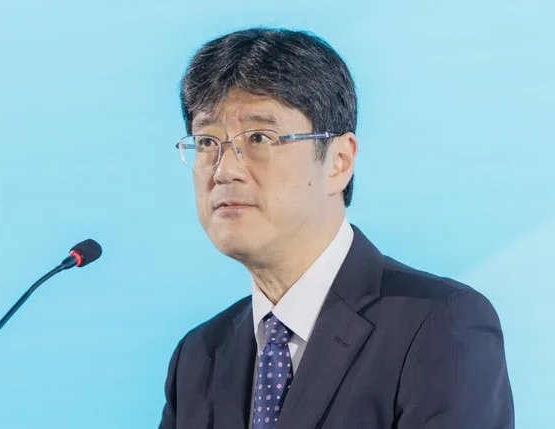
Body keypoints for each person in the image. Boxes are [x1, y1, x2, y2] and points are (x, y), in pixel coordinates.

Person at [159, 28, 514, 429]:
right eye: (207, 143)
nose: (225, 171)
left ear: (339, 161)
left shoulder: (440, 326)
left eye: (258, 138)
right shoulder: (199, 356)